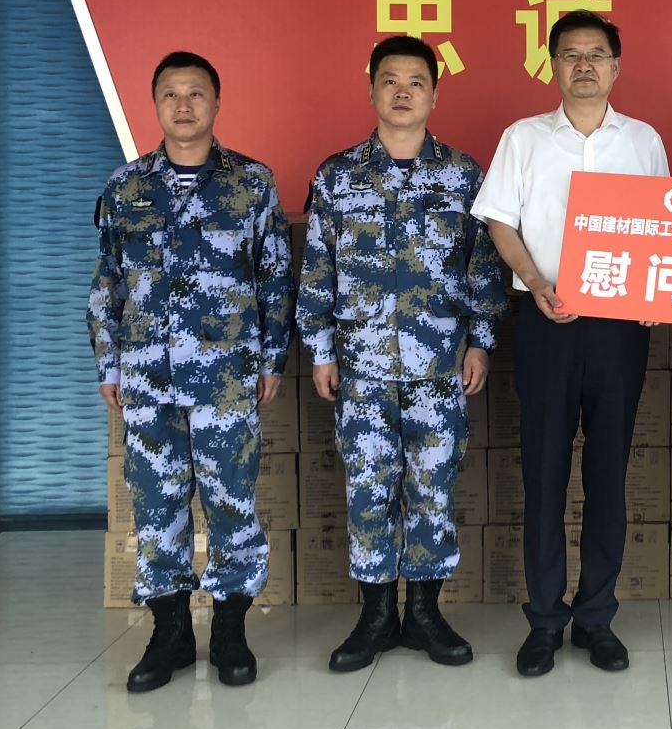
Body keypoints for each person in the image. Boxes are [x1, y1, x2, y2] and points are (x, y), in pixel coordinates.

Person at [298, 35, 508, 673]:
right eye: (390, 80)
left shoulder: (464, 175)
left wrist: (482, 343)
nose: (402, 92)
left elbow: (483, 268)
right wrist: (320, 351)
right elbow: (318, 270)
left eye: (416, 81)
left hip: (440, 366)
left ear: (434, 96)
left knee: (433, 487)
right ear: (371, 90)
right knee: (368, 488)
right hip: (360, 367)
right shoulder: (337, 176)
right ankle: (375, 616)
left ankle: (424, 612)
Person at [471, 10, 669, 676]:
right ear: (552, 65)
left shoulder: (643, 141)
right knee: (545, 472)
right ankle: (545, 621)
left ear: (616, 66)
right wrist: (534, 281)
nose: (584, 65)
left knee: (608, 473)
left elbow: (664, 228)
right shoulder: (523, 138)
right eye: (570, 54)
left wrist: (656, 295)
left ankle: (597, 617)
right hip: (544, 322)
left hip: (620, 330)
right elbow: (499, 221)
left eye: (596, 54)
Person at [90, 51, 292, 693]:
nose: (183, 105)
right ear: (155, 105)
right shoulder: (126, 187)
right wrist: (109, 361)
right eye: (170, 94)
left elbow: (275, 279)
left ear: (217, 103)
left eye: (196, 93)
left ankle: (230, 631)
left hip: (226, 375)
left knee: (232, 500)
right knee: (156, 504)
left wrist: (272, 359)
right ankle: (170, 633)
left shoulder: (251, 183)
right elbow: (107, 284)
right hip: (147, 375)